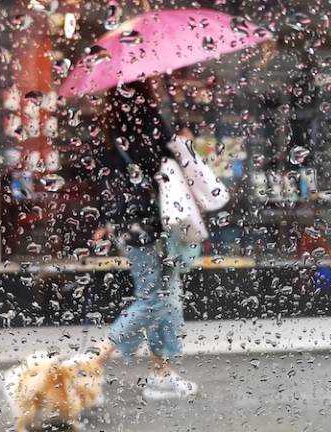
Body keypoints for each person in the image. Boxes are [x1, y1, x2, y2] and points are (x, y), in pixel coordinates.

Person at [89, 77, 199, 401]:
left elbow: (103, 175)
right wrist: (181, 141)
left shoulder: (109, 122)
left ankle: (162, 373)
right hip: (152, 222)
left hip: (127, 223)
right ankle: (96, 356)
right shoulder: (147, 116)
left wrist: (106, 220)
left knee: (164, 297)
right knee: (154, 298)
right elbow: (164, 162)